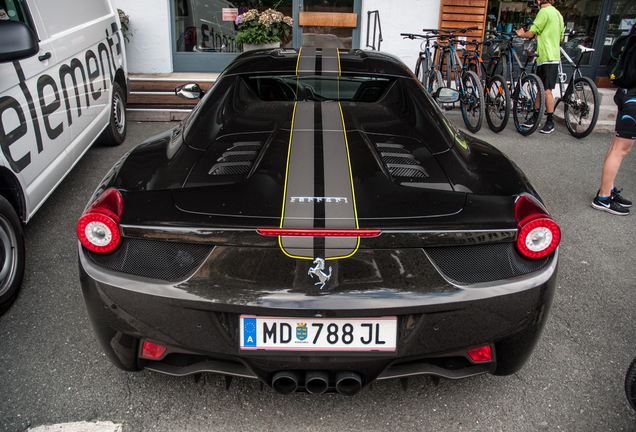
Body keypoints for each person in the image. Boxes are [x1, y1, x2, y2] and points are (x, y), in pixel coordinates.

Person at [516, 0, 564, 134]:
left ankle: (550, 122)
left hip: (546, 56)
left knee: (547, 91)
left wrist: (521, 34)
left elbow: (530, 33)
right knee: (540, 89)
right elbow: (560, 39)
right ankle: (535, 117)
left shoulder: (544, 12)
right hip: (552, 56)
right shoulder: (558, 14)